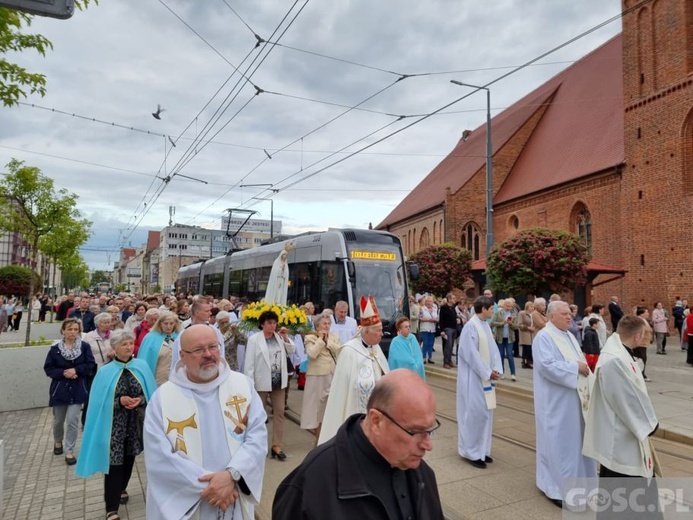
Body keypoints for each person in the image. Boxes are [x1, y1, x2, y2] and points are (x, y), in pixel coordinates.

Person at [272, 369, 445, 520]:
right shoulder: (311, 484)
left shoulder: (422, 473)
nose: (428, 445)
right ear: (376, 421)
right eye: (415, 432)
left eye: (430, 430)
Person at [144, 325, 267, 519]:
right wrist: (215, 488)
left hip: (234, 493)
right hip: (191, 502)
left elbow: (257, 437)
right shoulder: (163, 398)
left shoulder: (243, 386)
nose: (208, 354)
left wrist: (231, 476)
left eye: (213, 346)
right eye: (198, 350)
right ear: (182, 355)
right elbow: (159, 458)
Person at [582, 315, 661, 518]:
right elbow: (628, 401)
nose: (646, 338)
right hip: (622, 442)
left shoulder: (619, 352)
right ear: (637, 336)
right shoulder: (616, 360)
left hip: (623, 437)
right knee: (627, 501)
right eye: (646, 334)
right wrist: (650, 424)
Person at [76, 330, 157, 520]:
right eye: (124, 344)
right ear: (114, 348)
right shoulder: (105, 372)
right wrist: (119, 401)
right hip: (113, 428)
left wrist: (141, 400)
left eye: (130, 343)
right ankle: (111, 508)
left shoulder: (142, 366)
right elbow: (97, 402)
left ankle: (122, 488)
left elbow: (151, 393)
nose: (128, 347)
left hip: (135, 426)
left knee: (129, 460)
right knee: (114, 464)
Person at [532, 301, 597, 508]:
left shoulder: (569, 336)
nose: (569, 317)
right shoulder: (544, 337)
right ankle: (556, 488)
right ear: (551, 316)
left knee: (577, 444)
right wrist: (575, 367)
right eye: (564, 314)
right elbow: (546, 366)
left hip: (575, 401)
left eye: (570, 313)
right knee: (560, 445)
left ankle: (584, 484)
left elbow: (581, 363)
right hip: (556, 403)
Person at [319, 295, 390, 445]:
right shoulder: (349, 351)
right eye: (378, 331)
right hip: (355, 414)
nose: (382, 334)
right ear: (367, 332)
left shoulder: (376, 348)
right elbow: (341, 391)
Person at [456, 296, 502, 469]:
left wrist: (496, 368)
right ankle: (471, 452)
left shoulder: (485, 326)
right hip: (473, 379)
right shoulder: (471, 327)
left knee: (485, 414)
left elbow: (493, 349)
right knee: (475, 413)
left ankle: (483, 450)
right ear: (483, 309)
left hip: (486, 378)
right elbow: (470, 354)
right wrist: (487, 372)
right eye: (491, 309)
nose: (493, 311)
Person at [243, 310, 295, 461]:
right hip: (261, 382)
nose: (273, 326)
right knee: (258, 415)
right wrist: (249, 384)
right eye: (269, 323)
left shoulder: (279, 337)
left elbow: (292, 350)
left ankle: (276, 445)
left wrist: (285, 337)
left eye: (274, 323)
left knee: (279, 412)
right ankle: (256, 445)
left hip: (278, 381)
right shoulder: (254, 339)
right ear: (262, 324)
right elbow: (249, 363)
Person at [43, 318, 96, 465]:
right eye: (70, 329)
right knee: (58, 420)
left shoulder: (84, 347)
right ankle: (58, 441)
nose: (73, 332)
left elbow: (90, 364)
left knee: (73, 420)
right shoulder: (55, 349)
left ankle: (69, 450)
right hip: (60, 389)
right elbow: (49, 369)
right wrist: (63, 373)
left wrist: (76, 370)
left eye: (75, 329)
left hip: (78, 388)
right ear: (63, 331)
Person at [300, 313, 342, 439]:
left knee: (330, 407)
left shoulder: (334, 337)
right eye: (324, 324)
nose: (327, 326)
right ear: (317, 325)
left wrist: (327, 341)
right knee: (316, 408)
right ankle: (318, 437)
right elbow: (312, 354)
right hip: (317, 376)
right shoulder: (310, 338)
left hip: (332, 373)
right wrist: (320, 340)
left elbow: (339, 350)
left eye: (329, 324)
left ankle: (328, 435)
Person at [137, 311, 181, 386]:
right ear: (160, 323)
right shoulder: (150, 338)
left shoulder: (179, 337)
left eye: (171, 323)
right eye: (166, 323)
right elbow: (144, 359)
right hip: (157, 379)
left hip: (176, 379)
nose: (169, 326)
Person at [491, 298, 518, 381]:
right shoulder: (498, 312)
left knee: (510, 355)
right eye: (507, 306)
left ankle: (513, 374)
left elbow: (516, 326)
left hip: (510, 337)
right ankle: (501, 372)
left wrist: (511, 324)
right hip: (500, 337)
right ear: (504, 305)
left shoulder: (514, 313)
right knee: (501, 355)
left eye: (510, 306)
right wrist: (502, 323)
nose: (509, 308)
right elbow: (493, 322)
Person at [438, 292, 458, 369]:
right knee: (448, 345)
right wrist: (442, 330)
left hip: (453, 328)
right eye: (453, 298)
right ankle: (446, 362)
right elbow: (441, 319)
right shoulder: (444, 308)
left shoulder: (453, 308)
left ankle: (449, 360)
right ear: (449, 299)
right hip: (447, 328)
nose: (454, 300)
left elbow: (454, 316)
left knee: (451, 345)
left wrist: (457, 319)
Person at [419, 295, 438, 364]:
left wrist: (435, 320)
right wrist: (428, 320)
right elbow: (420, 318)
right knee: (425, 343)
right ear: (426, 302)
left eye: (430, 301)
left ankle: (430, 357)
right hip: (425, 328)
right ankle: (423, 357)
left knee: (430, 344)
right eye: (428, 301)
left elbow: (437, 318)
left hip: (432, 329)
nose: (429, 303)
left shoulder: (435, 309)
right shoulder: (422, 309)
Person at [518, 301, 535, 369]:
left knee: (530, 348)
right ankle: (524, 362)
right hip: (525, 332)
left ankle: (528, 362)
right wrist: (528, 328)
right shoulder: (522, 313)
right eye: (531, 306)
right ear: (527, 307)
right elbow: (519, 324)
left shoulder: (533, 314)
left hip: (532, 333)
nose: (532, 308)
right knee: (526, 347)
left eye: (533, 307)